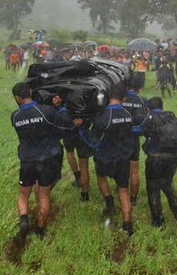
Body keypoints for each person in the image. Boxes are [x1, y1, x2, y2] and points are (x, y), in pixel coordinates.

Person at [10, 82, 73, 239]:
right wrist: (59, 107)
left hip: (27, 160)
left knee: (23, 194)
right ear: (31, 92)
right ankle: (40, 230)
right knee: (44, 195)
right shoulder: (47, 111)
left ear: (17, 99)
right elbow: (63, 124)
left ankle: (24, 220)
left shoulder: (15, 116)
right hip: (47, 158)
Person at [133, 97, 177, 227]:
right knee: (167, 184)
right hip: (173, 159)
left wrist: (123, 127)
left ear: (148, 109)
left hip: (155, 159)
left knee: (153, 187)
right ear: (162, 106)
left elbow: (137, 130)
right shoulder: (175, 120)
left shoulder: (150, 119)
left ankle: (158, 221)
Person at [75, 82, 135, 236]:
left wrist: (81, 129)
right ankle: (127, 225)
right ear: (123, 98)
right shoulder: (128, 115)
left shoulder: (102, 116)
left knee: (101, 178)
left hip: (105, 158)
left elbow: (93, 141)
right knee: (123, 190)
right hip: (122, 159)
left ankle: (110, 204)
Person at [52, 94, 93, 201]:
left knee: (70, 152)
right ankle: (85, 194)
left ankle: (77, 177)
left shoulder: (61, 110)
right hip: (82, 134)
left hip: (69, 135)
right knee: (84, 165)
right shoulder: (82, 99)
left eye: (57, 97)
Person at [121, 75, 147, 206]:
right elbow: (145, 122)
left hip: (120, 138)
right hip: (133, 139)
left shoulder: (120, 98)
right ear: (140, 88)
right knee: (134, 170)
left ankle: (122, 193)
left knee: (121, 168)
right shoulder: (142, 101)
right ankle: (133, 199)